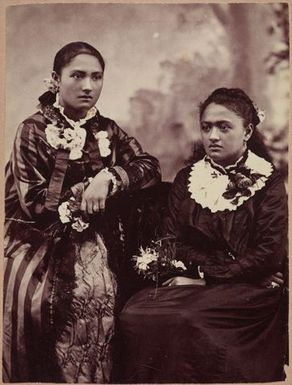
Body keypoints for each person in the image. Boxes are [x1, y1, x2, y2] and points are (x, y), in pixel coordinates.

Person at [3, 41, 161, 383]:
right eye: (77, 75)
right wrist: (80, 190)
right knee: (65, 300)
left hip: (100, 238)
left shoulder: (107, 129)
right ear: (55, 80)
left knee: (120, 296)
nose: (88, 86)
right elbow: (35, 206)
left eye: (96, 76)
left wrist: (109, 177)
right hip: (42, 244)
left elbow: (148, 165)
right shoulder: (32, 131)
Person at [119, 88, 288, 383]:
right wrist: (204, 275)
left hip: (250, 291)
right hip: (199, 283)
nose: (213, 136)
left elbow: (269, 254)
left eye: (224, 127)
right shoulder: (188, 179)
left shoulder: (268, 180)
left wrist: (205, 277)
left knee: (186, 317)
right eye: (207, 127)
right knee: (133, 312)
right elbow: (171, 243)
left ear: (247, 131)